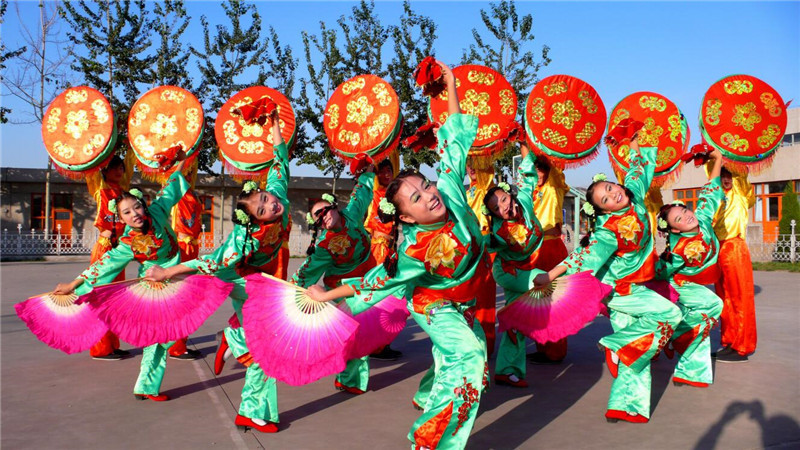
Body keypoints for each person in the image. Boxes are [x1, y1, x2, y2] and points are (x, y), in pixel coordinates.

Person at [306, 61, 490, 449]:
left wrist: (450, 85)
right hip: (435, 306)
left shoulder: (452, 193)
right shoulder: (411, 250)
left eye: (426, 186)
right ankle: (429, 441)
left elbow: (455, 140)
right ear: (405, 217)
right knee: (470, 358)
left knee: (470, 367)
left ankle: (428, 394)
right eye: (417, 198)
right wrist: (325, 295)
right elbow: (372, 283)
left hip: (466, 300)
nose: (429, 196)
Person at [145, 112, 289, 433]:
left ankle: (236, 346)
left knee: (265, 346)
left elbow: (280, 161)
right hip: (239, 281)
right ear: (255, 220)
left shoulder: (280, 197)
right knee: (265, 348)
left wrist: (274, 126)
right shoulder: (243, 240)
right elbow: (209, 262)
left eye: (267, 199)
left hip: (267, 281)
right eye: (262, 209)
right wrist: (169, 272)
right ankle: (250, 406)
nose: (270, 205)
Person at [535, 131, 682, 424]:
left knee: (636, 353)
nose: (613, 194)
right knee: (671, 314)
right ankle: (615, 342)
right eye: (606, 198)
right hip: (620, 292)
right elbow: (583, 257)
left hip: (634, 287)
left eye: (611, 187)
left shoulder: (634, 196)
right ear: (603, 210)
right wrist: (549, 274)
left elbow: (638, 168)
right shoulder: (608, 231)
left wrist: (633, 141)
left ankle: (625, 406)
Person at [53, 152, 190, 401]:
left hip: (177, 277)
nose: (134, 214)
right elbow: (103, 266)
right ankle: (146, 386)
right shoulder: (127, 243)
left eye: (136, 207)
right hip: (153, 286)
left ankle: (146, 385)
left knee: (171, 332)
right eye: (126, 212)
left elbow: (172, 183)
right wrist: (74, 284)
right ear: (121, 218)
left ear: (144, 205)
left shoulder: (159, 210)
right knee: (160, 337)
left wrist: (181, 159)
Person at [291, 167, 378, 395]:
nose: (323, 217)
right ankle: (349, 379)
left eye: (324, 211)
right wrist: (290, 293)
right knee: (356, 331)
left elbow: (362, 191)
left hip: (369, 278)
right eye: (317, 218)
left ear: (334, 207)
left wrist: (369, 171)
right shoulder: (323, 245)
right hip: (342, 287)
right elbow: (306, 272)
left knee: (369, 327)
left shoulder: (353, 213)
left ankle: (348, 374)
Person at [655, 147, 725, 387]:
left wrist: (718, 159)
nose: (686, 216)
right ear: (674, 229)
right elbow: (661, 272)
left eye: (685, 211)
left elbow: (711, 190)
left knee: (701, 323)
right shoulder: (678, 249)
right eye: (679, 219)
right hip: (681, 285)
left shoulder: (702, 218)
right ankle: (674, 335)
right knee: (713, 305)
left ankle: (689, 372)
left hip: (695, 283)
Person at [482, 143, 544, 388]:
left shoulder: (525, 201)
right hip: (510, 273)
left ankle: (507, 371)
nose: (504, 207)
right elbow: (482, 244)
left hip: (526, 269)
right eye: (497, 208)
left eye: (504, 199)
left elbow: (526, 172)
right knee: (550, 281)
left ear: (510, 195)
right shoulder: (499, 232)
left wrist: (525, 142)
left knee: (517, 323)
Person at [85, 154, 132, 361]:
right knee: (102, 297)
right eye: (114, 167)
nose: (119, 171)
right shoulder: (100, 189)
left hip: (118, 251)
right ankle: (100, 348)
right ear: (105, 169)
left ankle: (112, 345)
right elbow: (91, 168)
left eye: (121, 167)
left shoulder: (123, 193)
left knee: (115, 299)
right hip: (105, 249)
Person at [527, 155, 570, 365]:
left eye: (540, 169)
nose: (536, 174)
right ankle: (542, 348)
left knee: (554, 302)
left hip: (551, 247)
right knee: (538, 302)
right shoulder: (531, 192)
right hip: (534, 249)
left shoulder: (554, 187)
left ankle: (556, 351)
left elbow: (556, 164)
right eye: (533, 170)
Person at [711, 165, 757, 362]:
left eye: (730, 175)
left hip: (735, 247)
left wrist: (738, 168)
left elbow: (745, 185)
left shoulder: (741, 194)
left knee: (739, 298)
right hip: (718, 248)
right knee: (724, 299)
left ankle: (742, 346)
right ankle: (729, 341)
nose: (726, 179)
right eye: (723, 175)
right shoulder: (715, 196)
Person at [363, 156, 403, 361]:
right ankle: (376, 346)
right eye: (382, 171)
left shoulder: (394, 195)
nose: (386, 174)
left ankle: (382, 343)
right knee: (380, 294)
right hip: (379, 248)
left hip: (391, 248)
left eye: (389, 171)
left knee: (389, 296)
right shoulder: (375, 194)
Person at [167, 186, 204, 360]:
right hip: (183, 249)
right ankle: (176, 346)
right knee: (180, 299)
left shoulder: (191, 193)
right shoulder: (177, 193)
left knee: (188, 300)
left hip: (191, 249)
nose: (188, 175)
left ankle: (180, 343)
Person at [466, 159, 498, 357]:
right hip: (470, 248)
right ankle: (471, 342)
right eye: (468, 164)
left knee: (484, 298)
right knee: (468, 298)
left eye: (475, 163)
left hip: (485, 248)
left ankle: (485, 343)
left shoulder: (488, 188)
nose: (471, 168)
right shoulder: (468, 190)